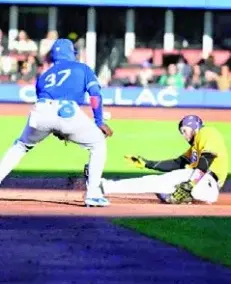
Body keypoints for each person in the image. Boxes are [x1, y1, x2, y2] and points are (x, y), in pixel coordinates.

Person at [0, 38, 113, 207]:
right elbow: (95, 95)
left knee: (20, 146)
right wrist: (99, 121)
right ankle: (93, 193)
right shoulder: (82, 68)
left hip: (40, 112)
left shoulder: (44, 76)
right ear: (72, 54)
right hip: (68, 111)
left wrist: (56, 128)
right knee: (97, 143)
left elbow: (48, 112)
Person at [84, 115, 228, 204]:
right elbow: (178, 163)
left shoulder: (206, 132)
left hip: (207, 182)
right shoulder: (195, 146)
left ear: (193, 126)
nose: (184, 135)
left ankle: (104, 186)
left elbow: (207, 158)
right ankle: (182, 197)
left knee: (156, 182)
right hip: (204, 188)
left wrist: (191, 184)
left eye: (185, 130)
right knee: (162, 190)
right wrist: (148, 163)